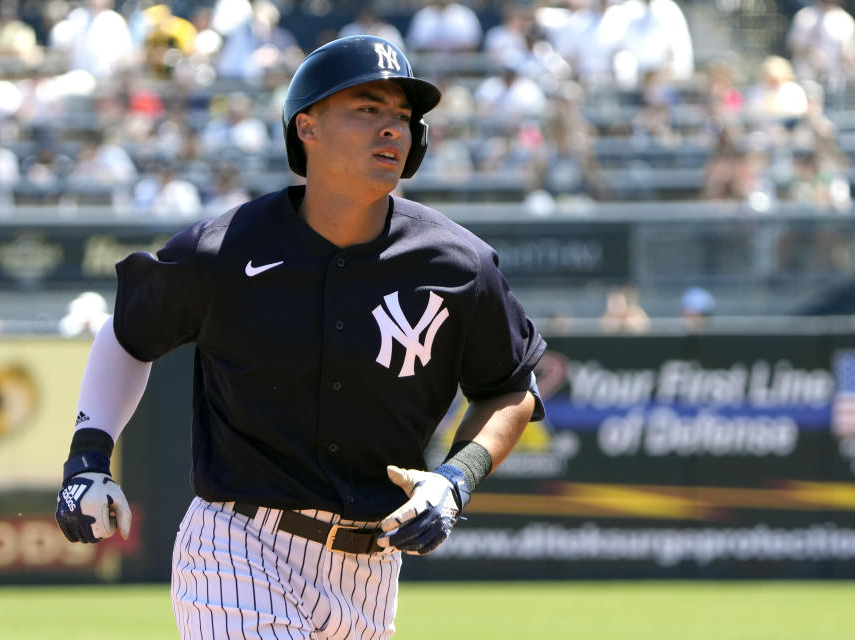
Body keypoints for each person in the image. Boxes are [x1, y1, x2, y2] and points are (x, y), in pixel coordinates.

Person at [54, 35, 546, 639]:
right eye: (368, 109)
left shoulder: (458, 264)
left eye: (402, 116)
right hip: (236, 544)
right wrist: (88, 457)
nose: (392, 128)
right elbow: (128, 334)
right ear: (306, 127)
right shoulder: (223, 250)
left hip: (372, 569)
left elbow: (510, 390)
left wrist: (457, 477)